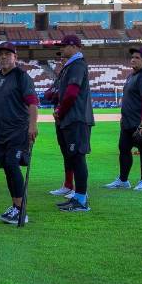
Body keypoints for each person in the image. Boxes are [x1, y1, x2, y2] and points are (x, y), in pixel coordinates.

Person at [0, 42, 39, 225]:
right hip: (1, 131)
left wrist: (33, 125)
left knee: (13, 165)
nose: (4, 57)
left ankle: (22, 211)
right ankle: (15, 206)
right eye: (0, 54)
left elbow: (32, 103)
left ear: (15, 57)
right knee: (7, 167)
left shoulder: (22, 77)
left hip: (19, 130)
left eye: (8, 54)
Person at [50, 35, 94, 212]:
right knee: (74, 157)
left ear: (75, 46)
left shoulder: (77, 65)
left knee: (77, 157)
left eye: (64, 45)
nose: (61, 48)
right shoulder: (71, 65)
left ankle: (81, 200)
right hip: (72, 118)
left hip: (76, 118)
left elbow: (72, 93)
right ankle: (77, 196)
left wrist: (60, 111)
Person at [104, 47, 142, 191]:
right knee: (124, 149)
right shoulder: (132, 76)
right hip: (128, 122)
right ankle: (123, 180)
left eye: (137, 58)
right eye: (132, 57)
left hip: (141, 122)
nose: (133, 59)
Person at [47, 51, 76, 198]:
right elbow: (48, 94)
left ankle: (79, 190)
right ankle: (68, 185)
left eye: (65, 58)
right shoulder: (61, 77)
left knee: (75, 154)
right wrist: (56, 94)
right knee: (66, 153)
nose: (62, 60)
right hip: (59, 120)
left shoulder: (74, 74)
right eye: (61, 58)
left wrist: (56, 95)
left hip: (71, 119)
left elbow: (69, 95)